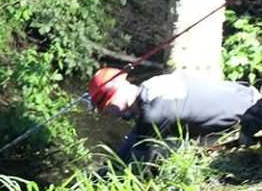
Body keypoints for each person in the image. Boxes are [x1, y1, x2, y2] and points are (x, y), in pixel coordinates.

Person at [88, 67, 261, 163]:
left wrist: (110, 176)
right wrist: (111, 165)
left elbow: (138, 164)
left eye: (108, 109)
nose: (110, 115)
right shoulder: (152, 87)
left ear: (117, 96)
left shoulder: (153, 114)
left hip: (248, 118)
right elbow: (135, 136)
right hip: (245, 95)